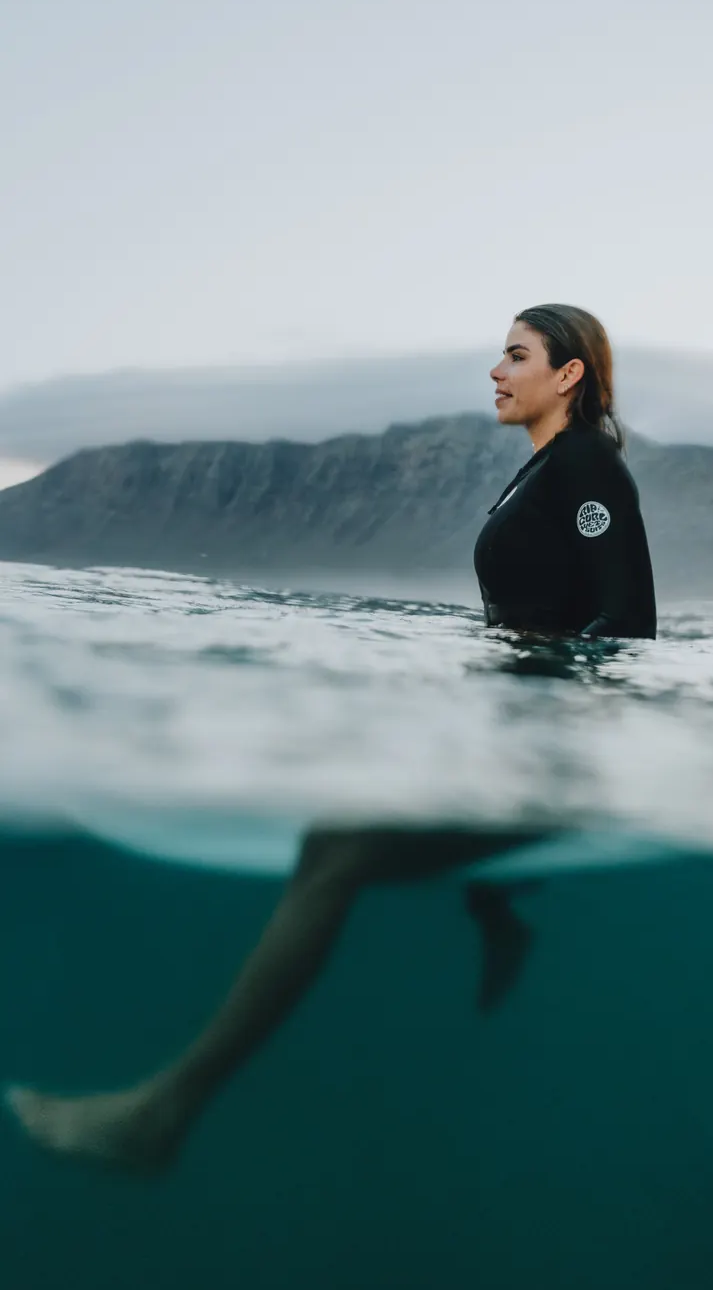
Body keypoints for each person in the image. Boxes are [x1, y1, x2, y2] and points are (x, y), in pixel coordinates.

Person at [5, 303, 656, 1174]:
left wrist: (555, 740)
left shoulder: (586, 470)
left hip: (551, 752)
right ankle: (498, 900)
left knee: (341, 842)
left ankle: (161, 1113)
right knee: (339, 826)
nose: (495, 373)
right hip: (513, 734)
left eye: (515, 356)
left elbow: (628, 625)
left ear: (568, 374)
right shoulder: (539, 473)